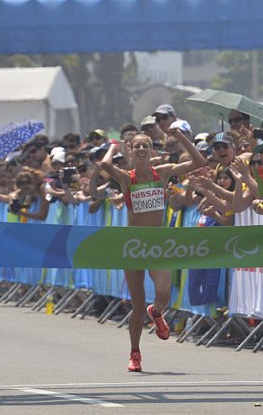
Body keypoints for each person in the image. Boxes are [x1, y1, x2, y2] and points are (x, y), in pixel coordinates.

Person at [99, 128, 206, 372]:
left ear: (152, 150)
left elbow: (199, 161)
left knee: (164, 293)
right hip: (133, 246)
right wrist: (113, 148)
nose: (141, 149)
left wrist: (180, 138)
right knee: (137, 304)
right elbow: (105, 166)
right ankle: (135, 353)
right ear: (131, 151)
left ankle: (156, 312)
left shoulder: (163, 172)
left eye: (145, 145)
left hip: (157, 244)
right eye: (136, 146)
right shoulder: (127, 177)